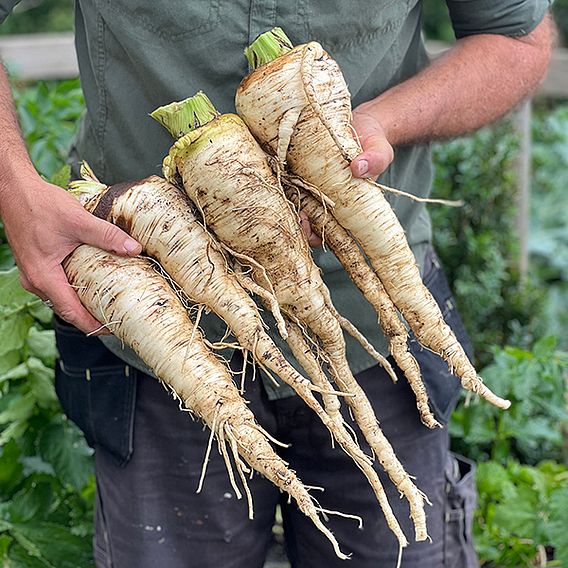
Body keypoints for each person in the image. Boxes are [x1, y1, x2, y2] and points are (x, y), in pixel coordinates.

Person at [0, 2, 553, 567]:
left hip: (380, 320)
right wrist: (16, 191)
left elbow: (516, 40)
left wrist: (379, 123)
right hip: (154, 326)